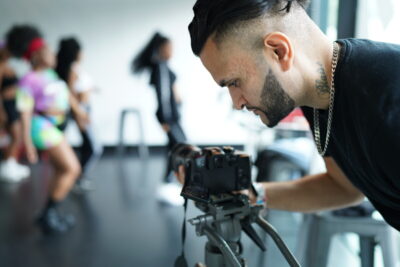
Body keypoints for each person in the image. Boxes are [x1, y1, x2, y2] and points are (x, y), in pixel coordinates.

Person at [177, 0, 400, 231]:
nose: (237, 103)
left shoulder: (387, 101)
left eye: (235, 82)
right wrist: (252, 194)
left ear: (279, 51)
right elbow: (344, 188)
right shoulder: (318, 95)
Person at [7, 25, 83, 234]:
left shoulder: (50, 74)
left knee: (60, 169)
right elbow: (24, 112)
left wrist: (78, 112)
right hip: (41, 127)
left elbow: (64, 95)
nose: (53, 53)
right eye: (48, 50)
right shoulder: (28, 80)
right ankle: (49, 211)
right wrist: (28, 145)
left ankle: (48, 214)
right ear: (37, 55)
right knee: (71, 168)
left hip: (54, 126)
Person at [56, 37, 103, 191]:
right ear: (75, 52)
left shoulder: (75, 68)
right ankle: (79, 176)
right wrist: (80, 114)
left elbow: (80, 88)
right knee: (94, 146)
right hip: (81, 110)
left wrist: (91, 89)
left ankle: (80, 175)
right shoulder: (71, 70)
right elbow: (70, 94)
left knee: (89, 144)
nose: (83, 54)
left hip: (84, 108)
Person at [0, 41, 30, 182]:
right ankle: (8, 167)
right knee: (16, 136)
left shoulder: (8, 66)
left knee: (15, 137)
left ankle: (10, 164)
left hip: (12, 106)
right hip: (6, 108)